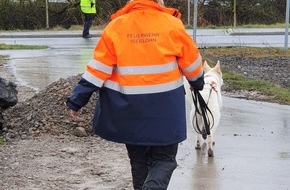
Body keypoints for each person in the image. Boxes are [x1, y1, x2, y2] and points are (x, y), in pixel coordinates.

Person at [66, 0, 204, 189]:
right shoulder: (172, 25)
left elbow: (97, 70)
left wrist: (77, 100)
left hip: (129, 112)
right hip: (165, 113)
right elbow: (193, 65)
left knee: (139, 163)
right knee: (165, 160)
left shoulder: (116, 27)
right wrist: (198, 82)